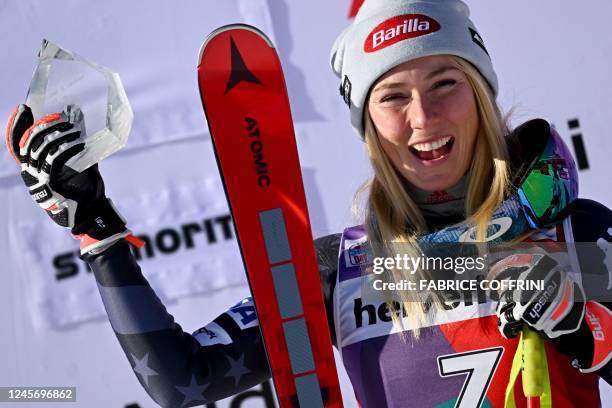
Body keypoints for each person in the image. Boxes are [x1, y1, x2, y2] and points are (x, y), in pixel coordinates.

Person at [5, 0, 611, 406]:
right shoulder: (340, 271)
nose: (423, 118)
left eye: (445, 84)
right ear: (369, 124)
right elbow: (178, 377)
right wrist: (97, 232)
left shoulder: (577, 234)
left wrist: (585, 329)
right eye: (393, 96)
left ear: (479, 92)